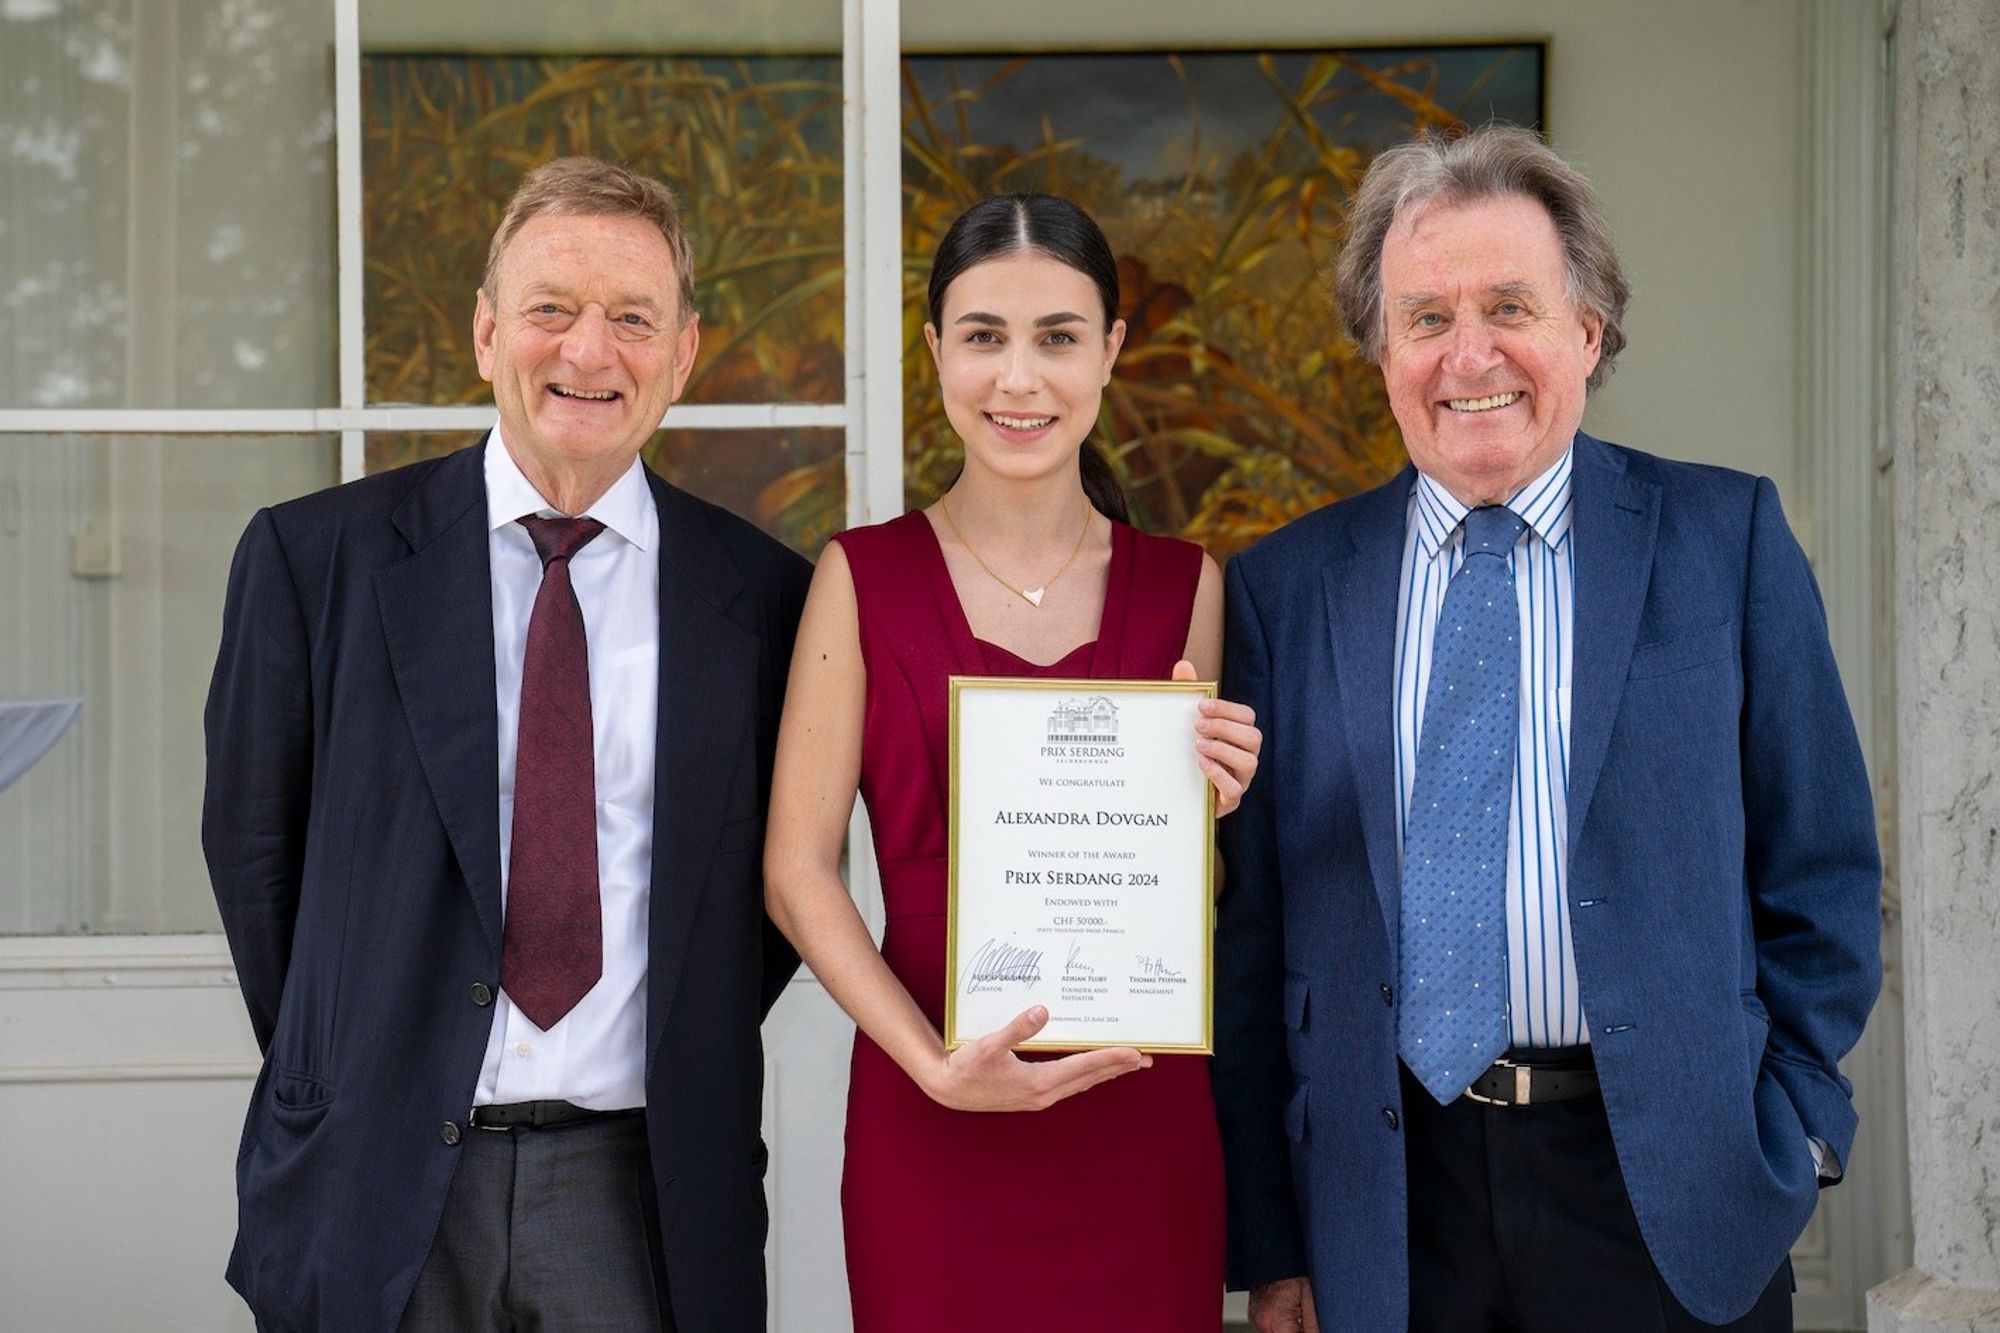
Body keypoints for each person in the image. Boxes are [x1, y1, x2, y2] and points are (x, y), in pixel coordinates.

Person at [1212, 125, 1882, 1333]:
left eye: (1508, 305)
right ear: (1379, 349)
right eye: (1423, 317)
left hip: (1668, 1191)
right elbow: (1257, 941)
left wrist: (1797, 1130)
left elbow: (1820, 871)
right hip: (1387, 1200)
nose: (1469, 353)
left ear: (1585, 330)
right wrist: (1273, 1239)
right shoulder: (1282, 588)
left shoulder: (1721, 540)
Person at [203, 157, 810, 1332]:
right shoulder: (312, 560)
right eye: (550, 310)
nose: (589, 352)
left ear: (683, 354)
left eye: (632, 318)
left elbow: (764, 901)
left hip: (643, 1194)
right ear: (486, 332)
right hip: (371, 1178)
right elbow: (253, 857)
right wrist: (355, 1057)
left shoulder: (765, 601)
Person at [762, 193, 1263, 1331]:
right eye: (983, 335)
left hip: (1141, 1125)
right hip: (929, 1116)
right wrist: (929, 1062)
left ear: (1110, 351)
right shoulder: (860, 577)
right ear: (935, 349)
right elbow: (795, 868)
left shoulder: (1187, 585)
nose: (1018, 379)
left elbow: (1205, 896)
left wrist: (1212, 817)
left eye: (1057, 336)